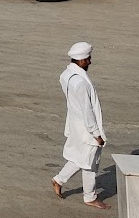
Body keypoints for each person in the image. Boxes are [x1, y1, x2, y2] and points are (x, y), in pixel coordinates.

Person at [53, 41, 109, 208]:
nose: (90, 62)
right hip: (86, 128)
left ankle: (59, 180)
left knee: (81, 158)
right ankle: (90, 197)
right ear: (81, 60)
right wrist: (97, 134)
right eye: (88, 59)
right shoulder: (81, 83)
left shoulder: (65, 75)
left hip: (75, 125)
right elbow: (88, 111)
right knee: (91, 162)